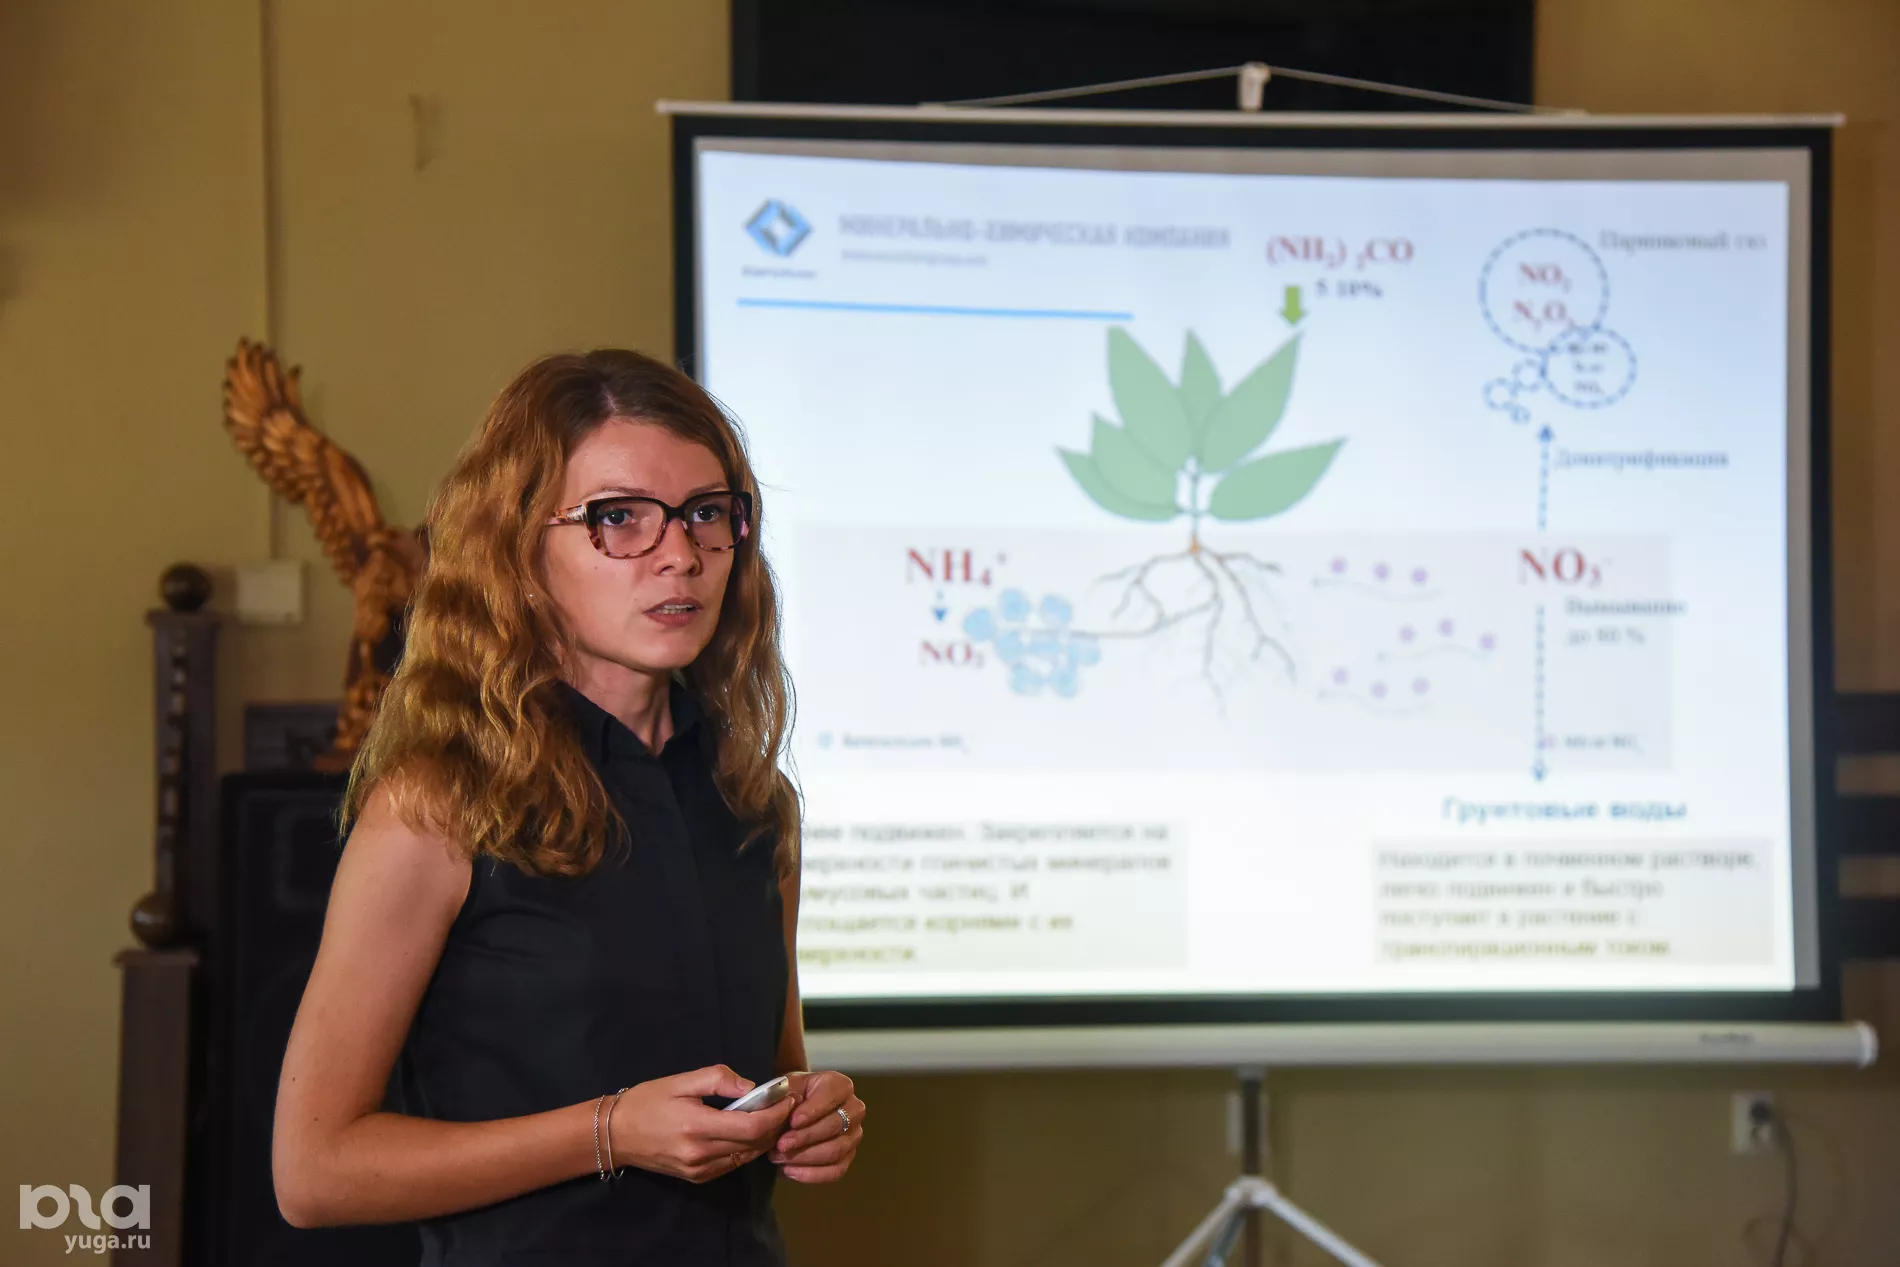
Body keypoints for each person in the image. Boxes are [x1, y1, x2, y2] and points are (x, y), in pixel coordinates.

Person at [272, 349, 863, 1265]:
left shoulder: (755, 800)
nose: (681, 554)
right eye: (618, 517)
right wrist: (609, 1132)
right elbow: (314, 1172)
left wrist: (811, 1111)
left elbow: (773, 1071)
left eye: (707, 512)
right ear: (519, 546)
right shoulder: (436, 806)